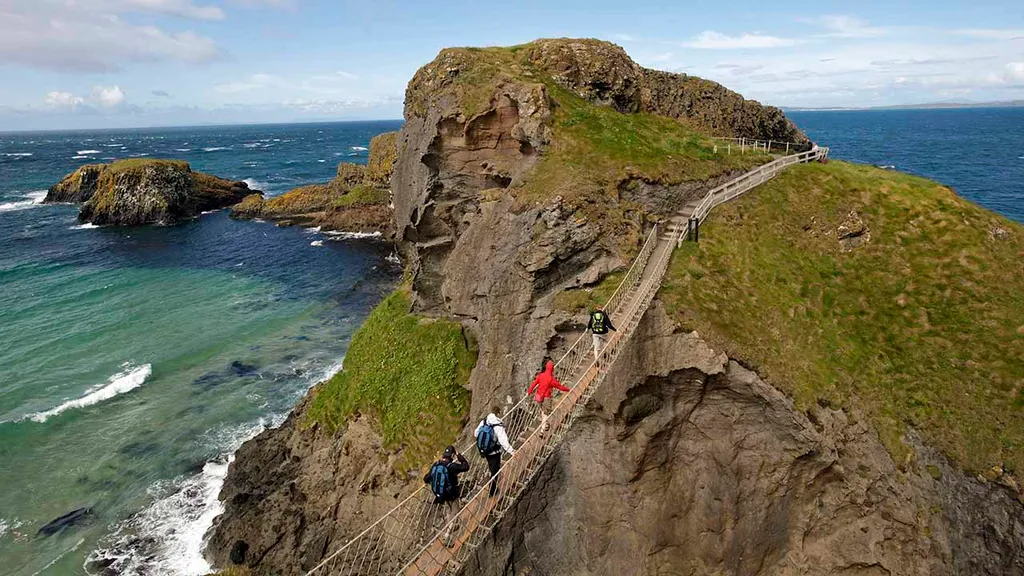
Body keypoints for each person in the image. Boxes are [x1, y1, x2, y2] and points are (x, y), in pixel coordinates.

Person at [475, 407, 515, 497]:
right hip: (494, 451)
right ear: (498, 413)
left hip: (485, 450)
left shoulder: (484, 421)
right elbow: (503, 440)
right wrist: (511, 451)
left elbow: (476, 433)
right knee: (495, 470)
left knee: (492, 468)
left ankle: (493, 487)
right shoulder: (497, 425)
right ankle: (492, 491)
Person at [528, 360, 568, 430]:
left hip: (539, 397)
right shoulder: (552, 379)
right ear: (552, 369)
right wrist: (568, 390)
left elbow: (534, 384)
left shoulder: (541, 376)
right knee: (545, 414)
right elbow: (560, 387)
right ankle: (542, 430)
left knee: (543, 412)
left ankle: (544, 424)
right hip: (546, 398)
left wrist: (529, 392)